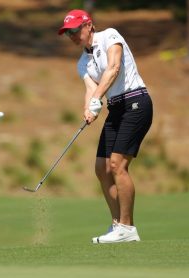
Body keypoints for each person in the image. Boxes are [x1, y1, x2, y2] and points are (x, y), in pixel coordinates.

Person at [58, 10, 153, 243]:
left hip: (136, 102)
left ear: (88, 25)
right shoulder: (83, 62)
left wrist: (97, 99)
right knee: (102, 168)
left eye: (75, 30)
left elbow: (114, 68)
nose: (72, 36)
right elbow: (91, 90)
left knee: (117, 164)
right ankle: (117, 225)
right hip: (116, 108)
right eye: (68, 33)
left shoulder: (110, 36)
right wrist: (88, 109)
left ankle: (127, 228)